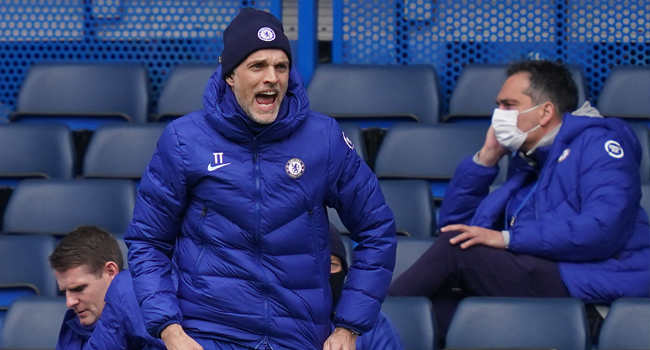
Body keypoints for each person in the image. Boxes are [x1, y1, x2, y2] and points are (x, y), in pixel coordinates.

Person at [124, 7, 396, 350]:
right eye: (257, 66)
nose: (271, 77)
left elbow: (377, 229)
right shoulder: (183, 140)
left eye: (280, 66)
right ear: (230, 75)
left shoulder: (323, 138)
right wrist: (170, 330)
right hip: (210, 336)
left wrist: (349, 327)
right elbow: (148, 241)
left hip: (298, 338)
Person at [389, 60, 650, 330]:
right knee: (426, 315)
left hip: (591, 286)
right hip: (543, 277)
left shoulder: (600, 146)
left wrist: (507, 239)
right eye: (498, 105)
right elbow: (456, 227)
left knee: (453, 251)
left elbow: (602, 229)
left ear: (545, 112)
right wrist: (485, 160)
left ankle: (358, 326)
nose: (497, 114)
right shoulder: (529, 162)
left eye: (508, 105)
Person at [49, 225, 164, 350]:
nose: (69, 302)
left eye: (79, 288)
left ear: (110, 272)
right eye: (64, 292)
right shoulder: (71, 328)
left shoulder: (151, 310)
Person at [328, 224, 404, 350]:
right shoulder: (284, 318)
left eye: (332, 264)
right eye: (315, 266)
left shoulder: (371, 322)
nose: (325, 273)